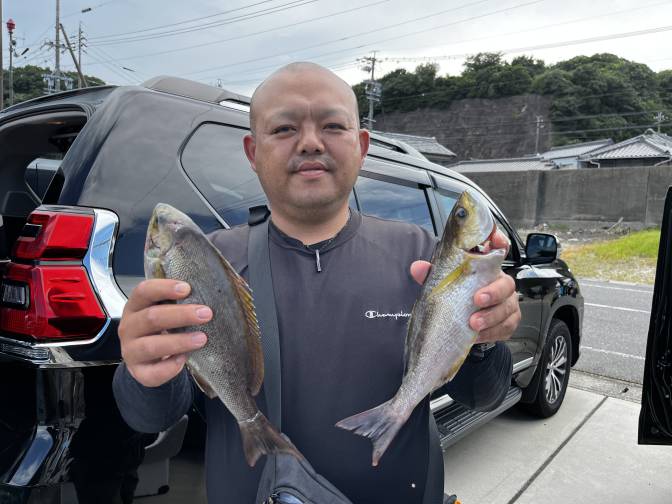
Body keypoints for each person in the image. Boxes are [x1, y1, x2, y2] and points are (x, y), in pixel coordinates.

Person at [113, 62, 521, 504]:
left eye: (332, 126)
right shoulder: (207, 263)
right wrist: (143, 368)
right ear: (253, 152)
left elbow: (484, 395)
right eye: (284, 128)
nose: (310, 142)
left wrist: (483, 339)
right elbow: (150, 417)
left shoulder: (421, 254)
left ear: (361, 146)